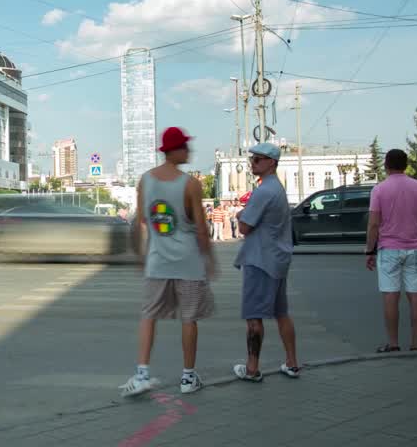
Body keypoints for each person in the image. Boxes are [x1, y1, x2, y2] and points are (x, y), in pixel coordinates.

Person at [119, 127, 216, 398]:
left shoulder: (145, 181)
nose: (189, 151)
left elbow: (139, 224)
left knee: (149, 315)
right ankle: (188, 378)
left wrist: (140, 257)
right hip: (189, 263)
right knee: (189, 319)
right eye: (185, 147)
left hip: (157, 262)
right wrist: (209, 259)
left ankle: (142, 375)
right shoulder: (190, 184)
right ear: (173, 151)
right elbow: (200, 228)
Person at [232, 142, 299, 382]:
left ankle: (252, 368)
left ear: (272, 162)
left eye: (258, 159)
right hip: (277, 259)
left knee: (254, 317)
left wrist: (241, 214)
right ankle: (291, 362)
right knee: (282, 313)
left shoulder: (263, 191)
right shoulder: (277, 188)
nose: (253, 163)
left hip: (260, 259)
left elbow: (244, 227)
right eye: (252, 159)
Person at [364, 148, 417, 353]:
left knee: (390, 296)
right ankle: (416, 343)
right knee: (416, 296)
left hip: (389, 250)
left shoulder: (379, 190)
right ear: (406, 165)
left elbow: (374, 224)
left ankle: (393, 343)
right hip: (415, 249)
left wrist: (370, 251)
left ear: (386, 165)